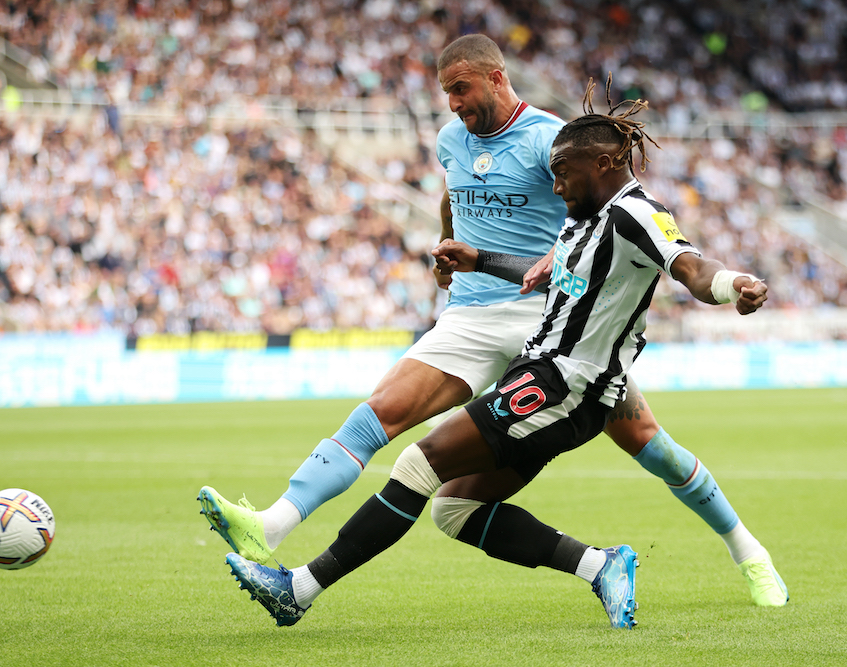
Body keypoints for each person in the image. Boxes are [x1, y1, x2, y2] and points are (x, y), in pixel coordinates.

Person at [198, 34, 786, 609]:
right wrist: (453, 247)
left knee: (652, 447)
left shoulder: (556, 141)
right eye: (445, 93)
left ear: (497, 78)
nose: (453, 103)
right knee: (386, 422)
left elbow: (628, 221)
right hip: (476, 313)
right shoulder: (451, 141)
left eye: (461, 88)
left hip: (552, 322)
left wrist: (718, 282)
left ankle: (748, 550)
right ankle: (271, 525)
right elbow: (455, 197)